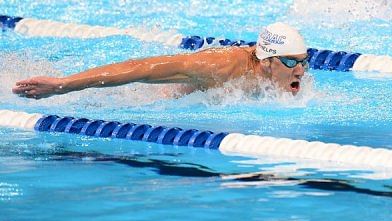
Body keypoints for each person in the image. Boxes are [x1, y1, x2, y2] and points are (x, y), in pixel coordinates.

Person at [12, 22, 309, 99]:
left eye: (303, 62)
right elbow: (139, 68)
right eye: (290, 62)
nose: (300, 71)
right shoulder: (221, 66)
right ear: (267, 61)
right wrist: (64, 85)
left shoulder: (285, 79)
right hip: (151, 98)